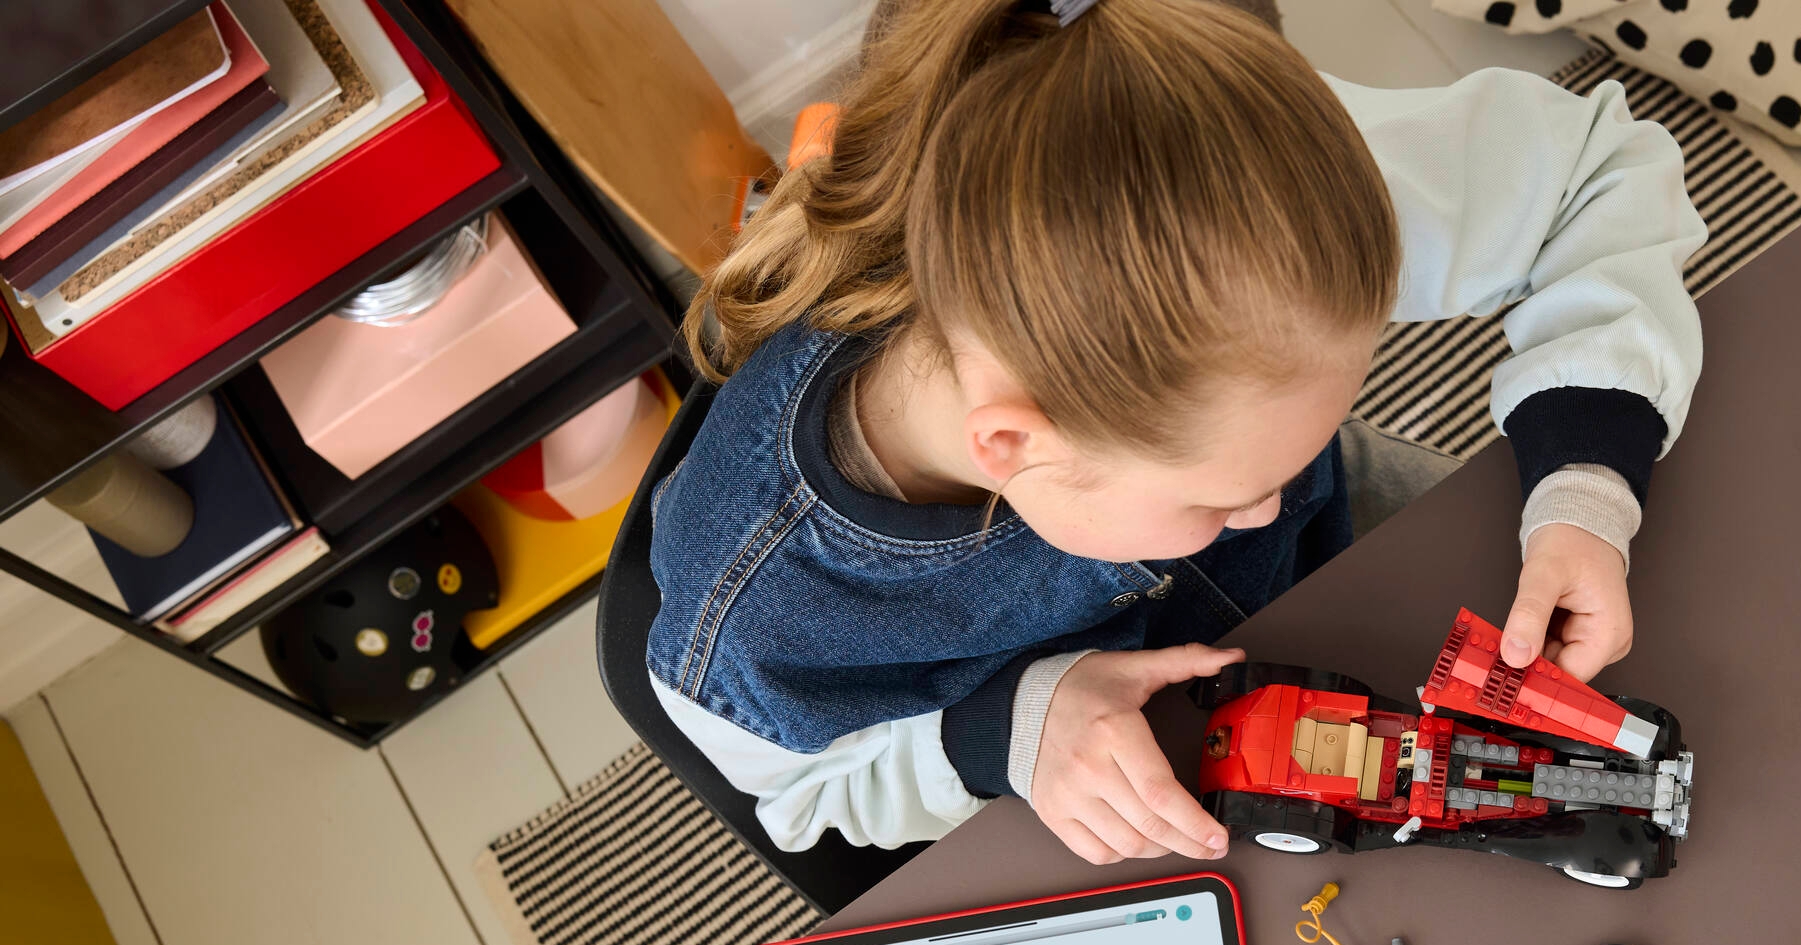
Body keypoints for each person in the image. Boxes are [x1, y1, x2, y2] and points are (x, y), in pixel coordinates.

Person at [648, 0, 1703, 866]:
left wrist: (1585, 487)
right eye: (1225, 494)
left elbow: (1592, 180)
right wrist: (999, 730)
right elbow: (805, 796)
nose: (1268, 505)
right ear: (1011, 445)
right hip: (1150, 797)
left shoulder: (1244, 202)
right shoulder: (749, 611)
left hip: (1362, 582)